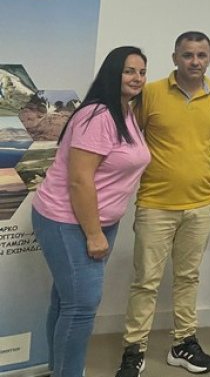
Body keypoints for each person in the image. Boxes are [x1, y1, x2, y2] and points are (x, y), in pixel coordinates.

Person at [116, 32, 210, 377]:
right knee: (146, 281)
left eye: (201, 55)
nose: (195, 61)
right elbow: (131, 137)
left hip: (201, 205)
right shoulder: (151, 92)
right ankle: (134, 349)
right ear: (175, 58)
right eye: (187, 55)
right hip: (155, 204)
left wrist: (199, 163)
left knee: (188, 278)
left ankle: (183, 343)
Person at [32, 47, 150, 377]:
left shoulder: (125, 111)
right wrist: (94, 233)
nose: (137, 78)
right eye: (129, 70)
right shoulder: (98, 116)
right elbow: (80, 180)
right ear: (113, 72)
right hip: (67, 220)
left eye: (142, 72)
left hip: (98, 220)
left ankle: (60, 371)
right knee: (82, 306)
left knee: (66, 301)